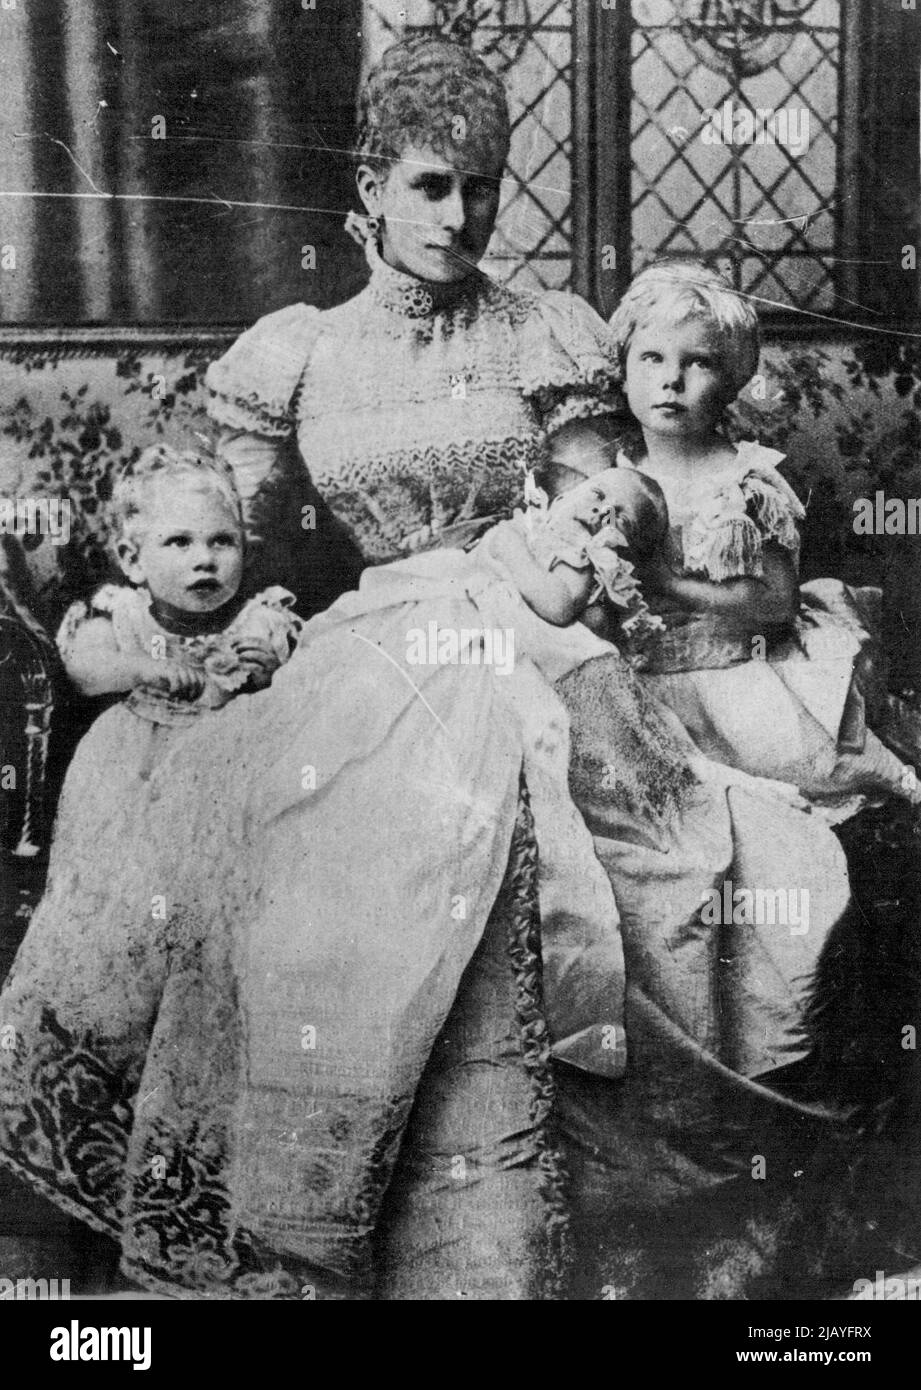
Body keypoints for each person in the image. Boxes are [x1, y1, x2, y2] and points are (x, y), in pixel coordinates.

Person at [607, 259, 920, 821]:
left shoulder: (743, 482)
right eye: (651, 358)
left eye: (698, 363)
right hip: (640, 678)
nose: (671, 380)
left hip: (735, 670)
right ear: (625, 371)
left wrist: (672, 585)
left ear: (730, 381)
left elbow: (777, 603)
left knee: (804, 763)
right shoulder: (610, 471)